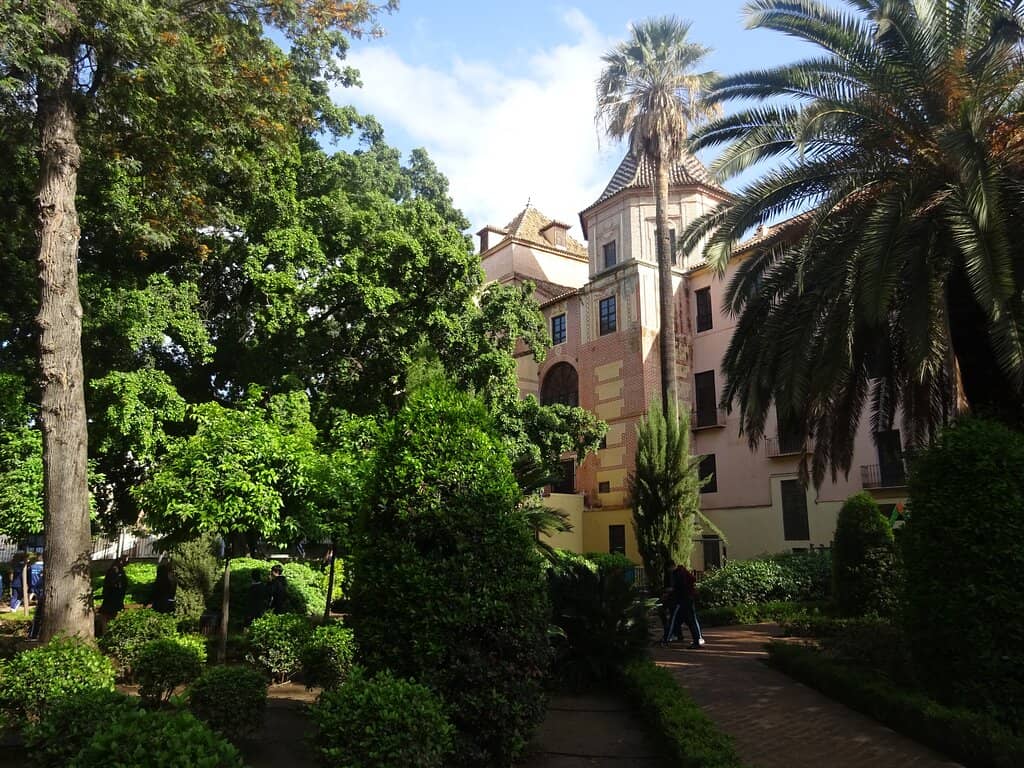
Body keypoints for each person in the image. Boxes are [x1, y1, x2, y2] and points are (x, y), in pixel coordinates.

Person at [668, 561, 705, 649]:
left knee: (680, 620)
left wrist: (672, 592)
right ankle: (697, 640)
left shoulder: (677, 574)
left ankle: (668, 638)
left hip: (683, 600)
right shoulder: (683, 571)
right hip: (689, 598)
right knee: (691, 620)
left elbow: (679, 587)